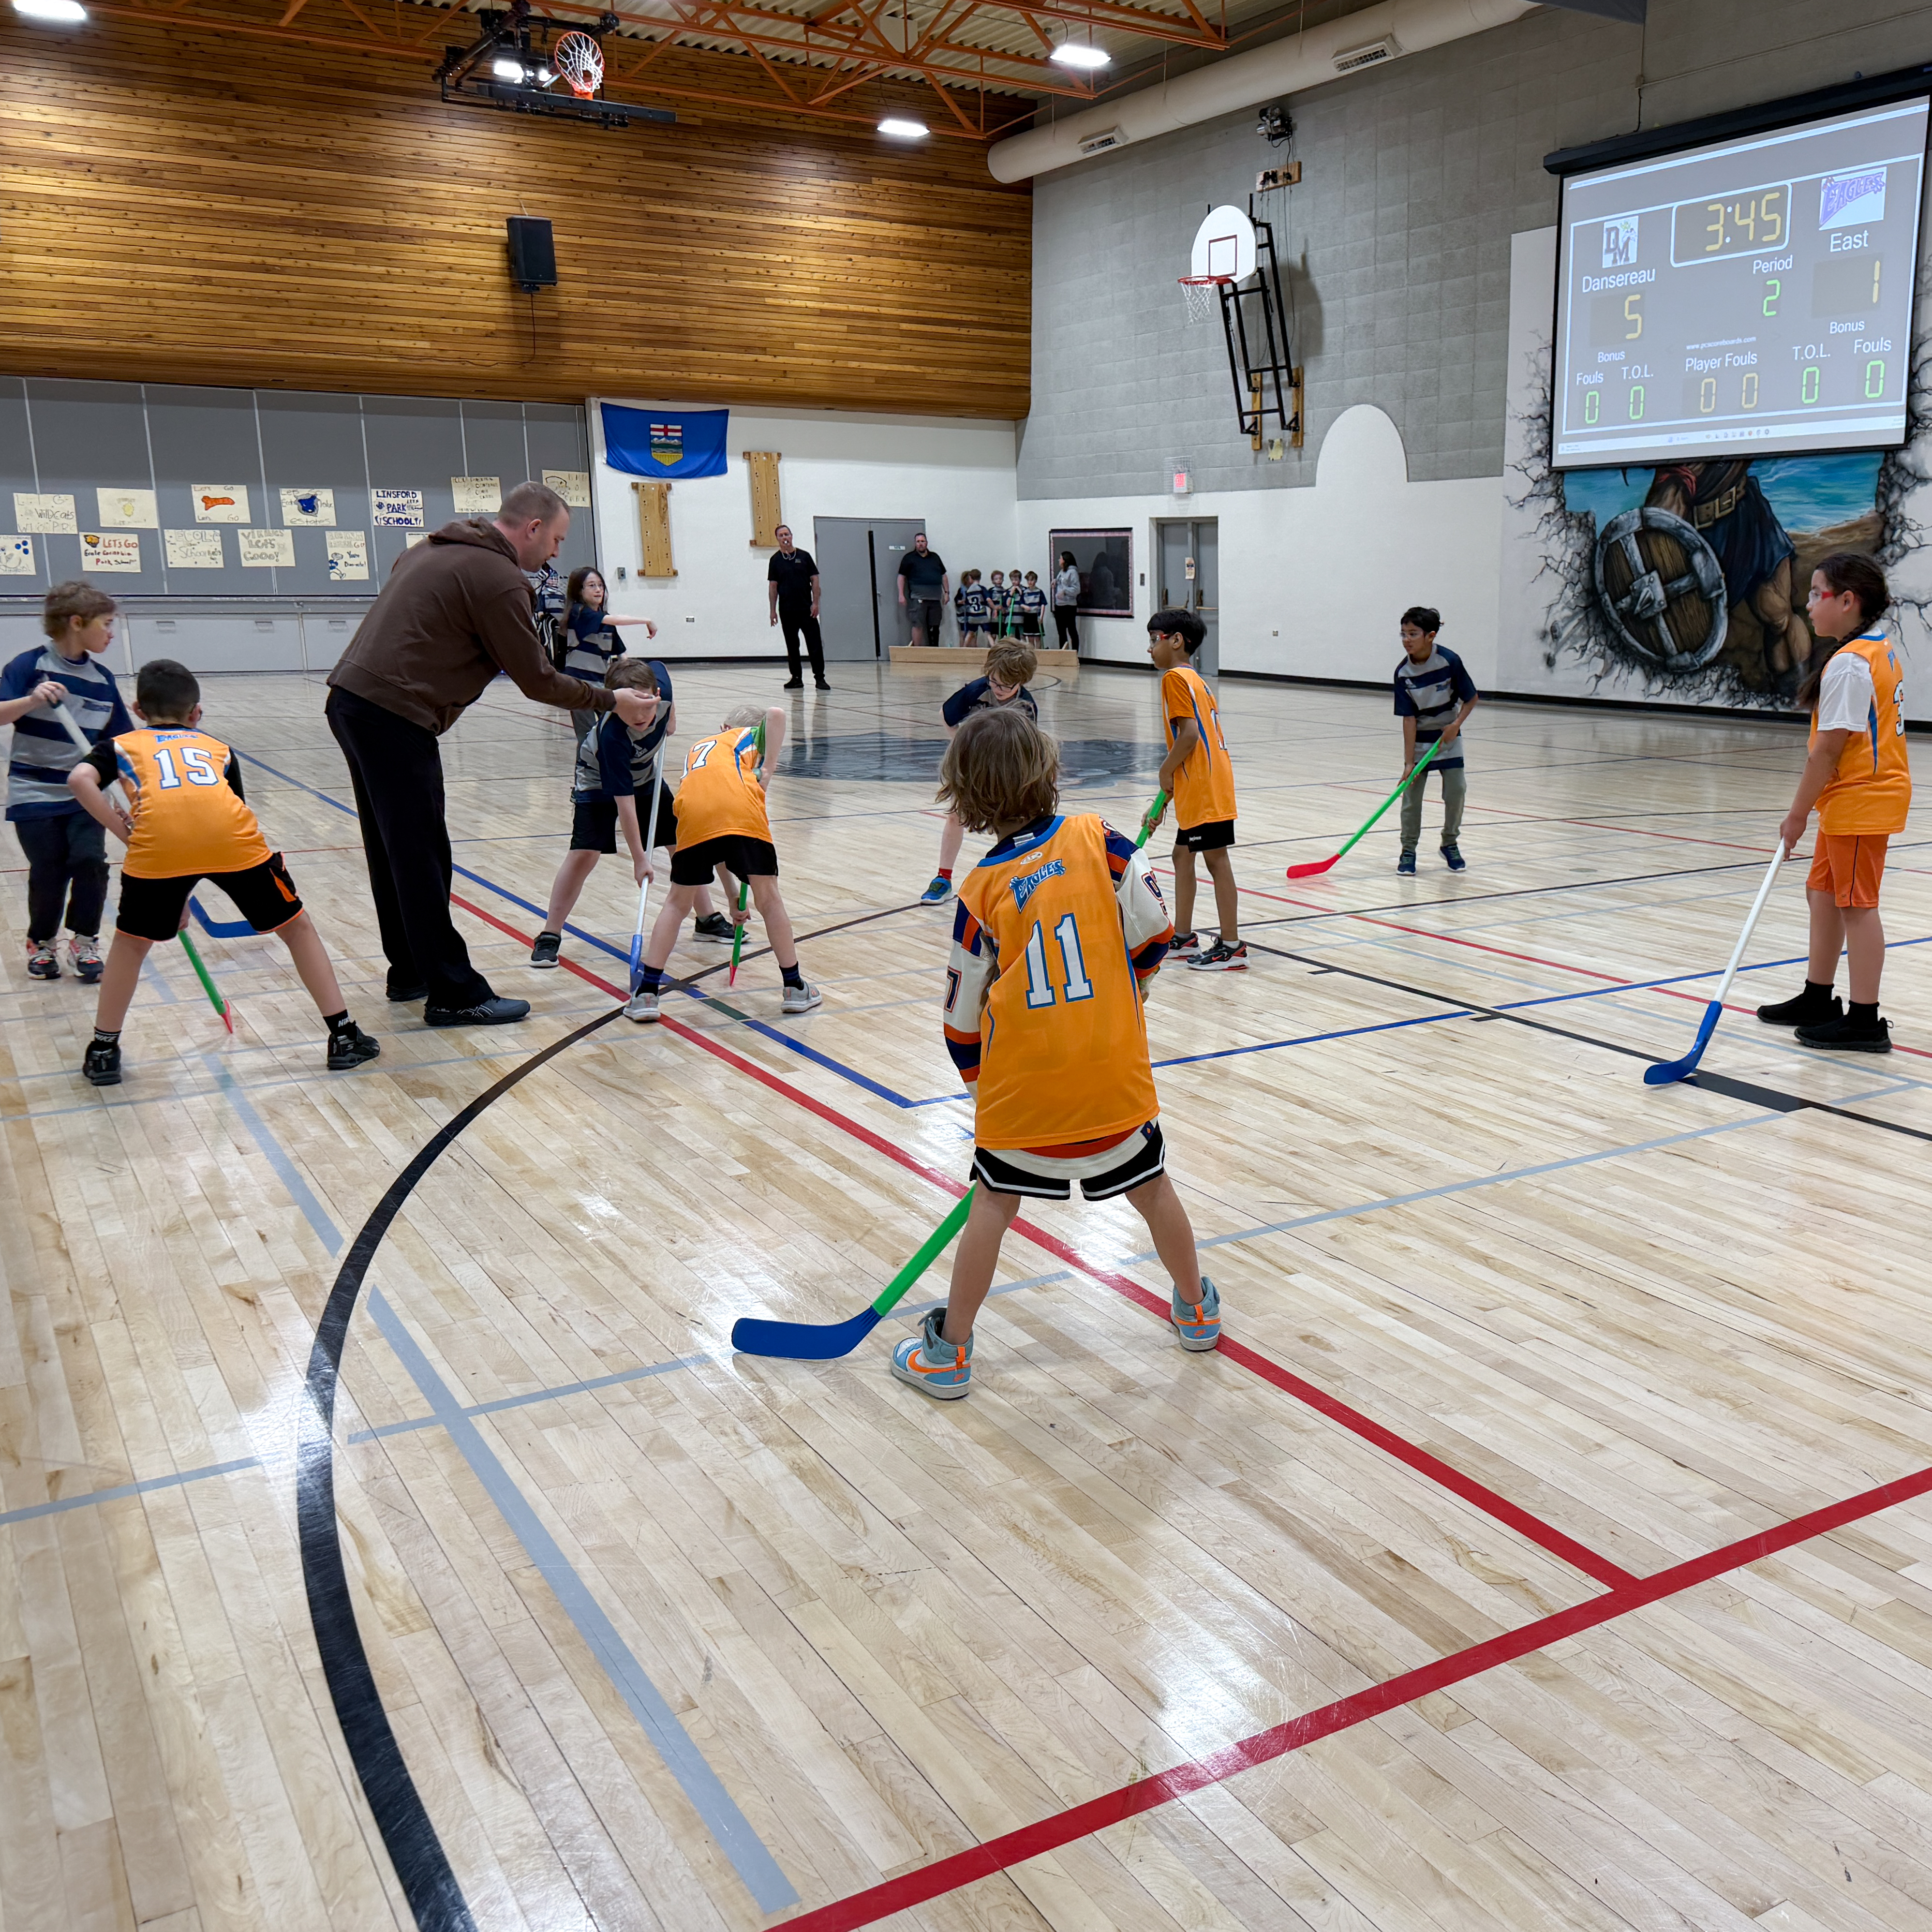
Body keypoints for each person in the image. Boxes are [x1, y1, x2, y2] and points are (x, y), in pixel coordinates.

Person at [890, 706, 1219, 1400]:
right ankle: (1195, 1309)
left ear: (966, 794)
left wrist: (986, 1093)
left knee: (992, 1204)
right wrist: (1131, 988)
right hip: (1112, 1078)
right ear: (1048, 769)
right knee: (1152, 1188)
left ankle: (948, 1352)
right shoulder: (1102, 839)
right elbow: (1157, 933)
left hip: (1022, 1094)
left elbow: (960, 1023)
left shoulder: (979, 890)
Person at [325, 479, 658, 1026]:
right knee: (422, 855)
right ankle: (453, 993)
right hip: (394, 714)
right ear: (533, 528)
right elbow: (538, 680)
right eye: (556, 540)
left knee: (393, 850)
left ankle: (409, 970)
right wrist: (609, 699)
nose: (556, 553)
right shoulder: (500, 579)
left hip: (353, 701)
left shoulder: (430, 549)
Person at [66, 657, 378, 1087]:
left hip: (157, 851)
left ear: (138, 710)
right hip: (233, 841)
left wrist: (127, 835)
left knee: (131, 944)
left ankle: (103, 1050)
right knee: (296, 928)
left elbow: (79, 780)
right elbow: (220, 814)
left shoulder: (120, 746)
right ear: (196, 713)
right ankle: (344, 1037)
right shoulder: (218, 749)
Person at [1756, 551, 1911, 1052]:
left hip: (1862, 801)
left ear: (1847, 601)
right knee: (1822, 894)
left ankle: (1865, 1021)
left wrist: (1796, 815)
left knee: (1856, 907)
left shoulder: (1850, 665)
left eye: (1815, 593)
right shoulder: (1873, 648)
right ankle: (1817, 997)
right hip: (1849, 801)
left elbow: (1826, 752)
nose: (1806, 604)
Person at [625, 705, 821, 1023]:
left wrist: (732, 896)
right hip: (741, 811)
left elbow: (718, 844)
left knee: (677, 904)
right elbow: (776, 714)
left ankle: (647, 993)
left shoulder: (700, 748)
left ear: (723, 726)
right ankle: (794, 987)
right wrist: (768, 770)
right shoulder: (748, 737)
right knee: (769, 901)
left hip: (692, 815)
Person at [530, 658, 731, 968]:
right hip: (597, 781)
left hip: (646, 777)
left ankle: (706, 918)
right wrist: (640, 860)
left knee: (681, 843)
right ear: (614, 704)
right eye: (630, 708)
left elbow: (659, 666)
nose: (641, 716)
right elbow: (626, 806)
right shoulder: (613, 737)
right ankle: (550, 934)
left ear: (656, 694)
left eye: (647, 705)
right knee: (585, 853)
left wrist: (671, 716)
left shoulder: (661, 693)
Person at [1, 579, 132, 983]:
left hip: (85, 795)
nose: (111, 634)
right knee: (49, 869)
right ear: (77, 622)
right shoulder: (29, 667)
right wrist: (32, 700)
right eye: (106, 624)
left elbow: (120, 744)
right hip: (33, 792)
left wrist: (128, 794)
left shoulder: (103, 679)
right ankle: (42, 943)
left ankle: (85, 940)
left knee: (90, 861)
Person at [1146, 609, 1244, 971]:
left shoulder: (1174, 678)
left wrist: (1164, 769)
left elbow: (1189, 737)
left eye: (1154, 639)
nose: (1150, 648)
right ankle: (1184, 936)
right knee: (1182, 856)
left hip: (1204, 786)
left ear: (1176, 641)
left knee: (1216, 860)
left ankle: (1232, 946)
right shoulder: (1195, 679)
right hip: (1201, 782)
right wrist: (1167, 794)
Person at [921, 639, 1038, 904]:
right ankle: (943, 879)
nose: (997, 689)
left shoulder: (1026, 707)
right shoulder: (976, 691)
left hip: (1007, 771)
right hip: (971, 765)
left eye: (1005, 686)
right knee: (955, 816)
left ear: (1021, 681)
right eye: (993, 681)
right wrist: (965, 747)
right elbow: (946, 716)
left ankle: (1020, 880)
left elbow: (1028, 748)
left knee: (1012, 822)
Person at [1393, 605, 1478, 874]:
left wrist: (1455, 725)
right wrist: (1409, 763)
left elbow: (1471, 698)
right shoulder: (1403, 674)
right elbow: (1409, 720)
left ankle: (1449, 843)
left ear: (1431, 636)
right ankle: (1408, 850)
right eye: (1404, 634)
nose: (1407, 640)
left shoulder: (1449, 661)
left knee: (1456, 791)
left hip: (1448, 738)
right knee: (1411, 799)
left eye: (1413, 634)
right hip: (1420, 742)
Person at [560, 566, 657, 742]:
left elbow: (621, 654)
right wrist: (646, 621)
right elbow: (617, 620)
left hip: (602, 685)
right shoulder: (578, 613)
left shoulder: (606, 620)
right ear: (579, 591)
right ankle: (586, 761)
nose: (598, 590)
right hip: (579, 685)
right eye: (592, 586)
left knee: (610, 731)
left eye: (601, 586)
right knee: (587, 737)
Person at [767, 525, 830, 691]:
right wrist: (773, 611)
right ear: (778, 539)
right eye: (781, 535)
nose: (785, 538)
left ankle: (820, 678)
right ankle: (796, 678)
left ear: (792, 536)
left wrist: (815, 603)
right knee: (792, 646)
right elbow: (773, 587)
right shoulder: (775, 560)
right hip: (787, 611)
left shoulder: (804, 556)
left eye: (787, 534)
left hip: (806, 609)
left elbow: (815, 580)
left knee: (814, 644)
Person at [897, 532, 949, 647]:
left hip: (935, 598)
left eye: (923, 541)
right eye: (918, 542)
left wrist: (947, 593)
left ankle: (935, 649)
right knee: (918, 625)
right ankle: (917, 651)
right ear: (915, 544)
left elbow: (944, 576)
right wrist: (901, 594)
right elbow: (901, 577)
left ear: (927, 543)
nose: (920, 544)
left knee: (935, 626)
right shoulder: (909, 558)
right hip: (918, 597)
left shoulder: (935, 558)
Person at [1051, 551, 1082, 650]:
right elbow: (1062, 583)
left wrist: (1065, 591)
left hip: (1069, 606)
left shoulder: (1073, 572)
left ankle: (1074, 653)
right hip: (1059, 605)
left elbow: (1077, 589)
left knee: (1072, 630)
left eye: (1061, 558)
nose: (1059, 560)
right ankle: (1064, 653)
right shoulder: (1062, 571)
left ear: (1065, 560)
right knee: (1061, 632)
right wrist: (1056, 582)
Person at [1015, 571, 1047, 640]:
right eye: (1028, 580)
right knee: (1030, 638)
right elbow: (1021, 603)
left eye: (1032, 580)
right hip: (1028, 616)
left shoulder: (1039, 592)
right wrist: (1025, 607)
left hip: (1036, 615)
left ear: (1036, 580)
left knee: (1038, 637)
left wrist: (1041, 617)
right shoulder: (1025, 592)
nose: (1030, 582)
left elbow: (1043, 605)